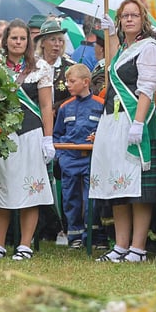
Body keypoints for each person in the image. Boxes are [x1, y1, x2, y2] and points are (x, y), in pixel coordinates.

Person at [89, 0, 156, 263]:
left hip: (135, 121)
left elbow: (147, 88)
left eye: (134, 15)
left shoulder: (150, 48)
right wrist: (110, 34)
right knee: (118, 185)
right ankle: (121, 245)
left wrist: (138, 122)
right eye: (124, 16)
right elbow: (114, 66)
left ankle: (138, 247)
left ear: (143, 19)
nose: (129, 20)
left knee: (139, 190)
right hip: (113, 120)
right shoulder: (124, 48)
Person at [0, 18, 55, 260]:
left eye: (23, 38)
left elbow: (45, 106)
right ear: (5, 41)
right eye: (14, 38)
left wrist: (48, 138)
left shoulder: (40, 68)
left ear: (28, 42)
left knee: (29, 192)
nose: (18, 42)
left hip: (30, 135)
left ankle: (25, 245)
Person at [53, 64, 103, 250]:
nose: (67, 85)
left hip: (91, 159)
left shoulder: (99, 105)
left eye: (72, 81)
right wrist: (60, 156)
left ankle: (94, 236)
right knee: (70, 198)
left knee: (92, 199)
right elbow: (57, 133)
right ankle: (74, 235)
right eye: (66, 81)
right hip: (70, 159)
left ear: (85, 82)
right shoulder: (65, 107)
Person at [34, 19, 76, 111]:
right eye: (53, 39)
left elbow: (80, 94)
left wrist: (56, 108)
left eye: (60, 40)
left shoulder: (71, 67)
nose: (57, 44)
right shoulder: (32, 66)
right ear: (42, 43)